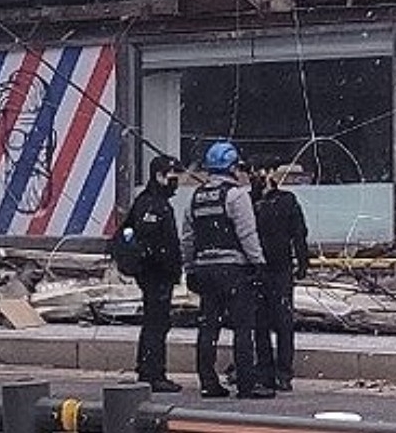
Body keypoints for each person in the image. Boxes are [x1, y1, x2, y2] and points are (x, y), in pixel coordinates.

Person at [182, 141, 275, 400]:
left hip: (205, 269)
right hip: (233, 269)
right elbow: (247, 233)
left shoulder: (196, 197)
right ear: (232, 167)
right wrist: (259, 263)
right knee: (243, 327)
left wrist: (189, 268)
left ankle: (208, 381)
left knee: (208, 327)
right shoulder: (236, 196)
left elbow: (187, 238)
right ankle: (247, 384)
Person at [123, 154, 183, 393]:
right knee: (156, 324)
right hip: (155, 274)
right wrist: (164, 265)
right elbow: (152, 242)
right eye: (172, 176)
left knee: (157, 323)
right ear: (159, 176)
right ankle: (153, 372)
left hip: (158, 274)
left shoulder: (153, 202)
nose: (175, 182)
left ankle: (151, 370)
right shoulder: (152, 204)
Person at [250, 164, 308, 392]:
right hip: (260, 268)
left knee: (280, 322)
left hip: (278, 267)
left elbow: (299, 233)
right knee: (263, 323)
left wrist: (302, 261)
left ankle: (281, 372)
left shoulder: (285, 200)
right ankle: (268, 370)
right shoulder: (250, 201)